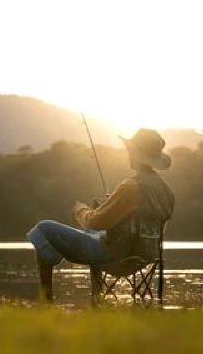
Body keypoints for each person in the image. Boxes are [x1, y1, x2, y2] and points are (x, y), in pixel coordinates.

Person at [26, 128, 176, 301]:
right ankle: (96, 297)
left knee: (43, 228)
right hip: (146, 256)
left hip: (116, 256)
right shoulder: (167, 191)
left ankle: (46, 298)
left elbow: (94, 222)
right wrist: (106, 207)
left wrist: (80, 211)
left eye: (130, 150)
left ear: (135, 153)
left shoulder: (131, 186)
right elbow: (136, 220)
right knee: (94, 235)